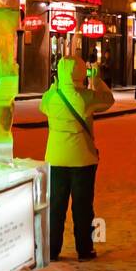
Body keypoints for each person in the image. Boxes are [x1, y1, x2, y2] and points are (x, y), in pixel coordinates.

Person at [40, 57, 114, 260]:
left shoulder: (51, 97)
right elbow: (108, 100)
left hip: (55, 159)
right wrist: (97, 81)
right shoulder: (87, 97)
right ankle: (85, 248)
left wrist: (54, 86)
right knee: (83, 207)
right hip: (83, 159)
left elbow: (42, 106)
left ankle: (52, 249)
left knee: (55, 207)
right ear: (82, 73)